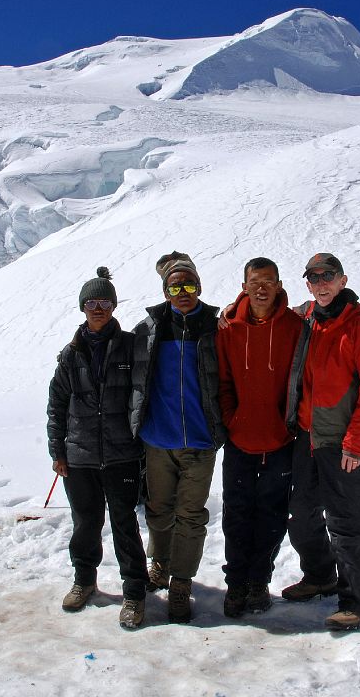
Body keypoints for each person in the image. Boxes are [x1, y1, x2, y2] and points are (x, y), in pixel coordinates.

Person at [282, 253, 360, 630]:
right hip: (307, 437)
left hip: (342, 443)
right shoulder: (306, 317)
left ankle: (356, 603)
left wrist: (356, 444)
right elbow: (267, 313)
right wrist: (234, 306)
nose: (321, 283)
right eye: (314, 278)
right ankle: (320, 576)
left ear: (342, 280)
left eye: (328, 277)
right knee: (301, 516)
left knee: (346, 525)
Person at [47, 267, 147, 630]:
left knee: (125, 525)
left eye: (105, 302)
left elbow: (142, 396)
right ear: (83, 307)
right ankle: (84, 580)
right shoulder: (70, 354)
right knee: (86, 524)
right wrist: (57, 450)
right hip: (80, 455)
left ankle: (135, 592)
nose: (98, 308)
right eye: (92, 302)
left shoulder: (130, 346)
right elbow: (57, 403)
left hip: (122, 454)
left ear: (114, 305)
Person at [130, 251, 225, 623]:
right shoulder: (149, 329)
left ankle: (181, 582)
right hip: (158, 440)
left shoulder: (216, 328)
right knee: (158, 510)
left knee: (191, 515)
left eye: (189, 284)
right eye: (175, 286)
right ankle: (161, 563)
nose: (183, 291)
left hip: (200, 442)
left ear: (199, 286)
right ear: (165, 290)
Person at [216, 257, 305, 618]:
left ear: (280, 285)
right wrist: (231, 420)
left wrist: (289, 423)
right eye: (255, 282)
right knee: (236, 516)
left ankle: (258, 583)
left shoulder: (295, 326)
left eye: (269, 281)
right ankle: (235, 584)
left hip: (280, 442)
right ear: (244, 287)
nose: (262, 288)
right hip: (240, 441)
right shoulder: (228, 329)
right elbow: (223, 382)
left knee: (272, 516)